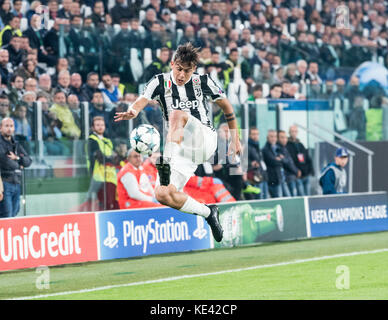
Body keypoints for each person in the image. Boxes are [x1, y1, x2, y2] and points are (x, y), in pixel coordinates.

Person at [115, 43, 242, 243]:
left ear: (194, 69)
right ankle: (209, 213)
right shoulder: (159, 82)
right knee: (163, 194)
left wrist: (235, 138)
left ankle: (166, 160)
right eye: (179, 69)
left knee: (177, 114)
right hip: (183, 151)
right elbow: (142, 99)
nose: (182, 75)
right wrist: (133, 110)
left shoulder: (203, 82)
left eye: (187, 71)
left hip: (204, 139)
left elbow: (227, 107)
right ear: (172, 64)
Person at [0, 117, 32, 218]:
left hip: (17, 183)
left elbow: (28, 161)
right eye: (6, 126)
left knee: (14, 212)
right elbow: (5, 162)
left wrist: (17, 158)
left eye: (11, 126)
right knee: (6, 214)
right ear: (1, 128)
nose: (9, 129)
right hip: (4, 183)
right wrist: (19, 165)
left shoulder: (16, 144)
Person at [86, 116, 119, 211]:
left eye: (102, 125)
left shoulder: (108, 141)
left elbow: (115, 158)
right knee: (102, 202)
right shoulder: (92, 140)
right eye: (97, 125)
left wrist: (110, 158)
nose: (100, 127)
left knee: (111, 201)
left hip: (111, 176)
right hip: (98, 176)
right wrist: (111, 158)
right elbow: (100, 157)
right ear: (93, 127)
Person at [286, 125, 314, 196]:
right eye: (292, 131)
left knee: (307, 195)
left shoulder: (300, 144)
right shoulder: (287, 145)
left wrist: (310, 170)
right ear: (289, 133)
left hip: (305, 174)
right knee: (301, 195)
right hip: (297, 175)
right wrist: (296, 171)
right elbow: (290, 161)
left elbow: (308, 158)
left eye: (295, 131)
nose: (294, 133)